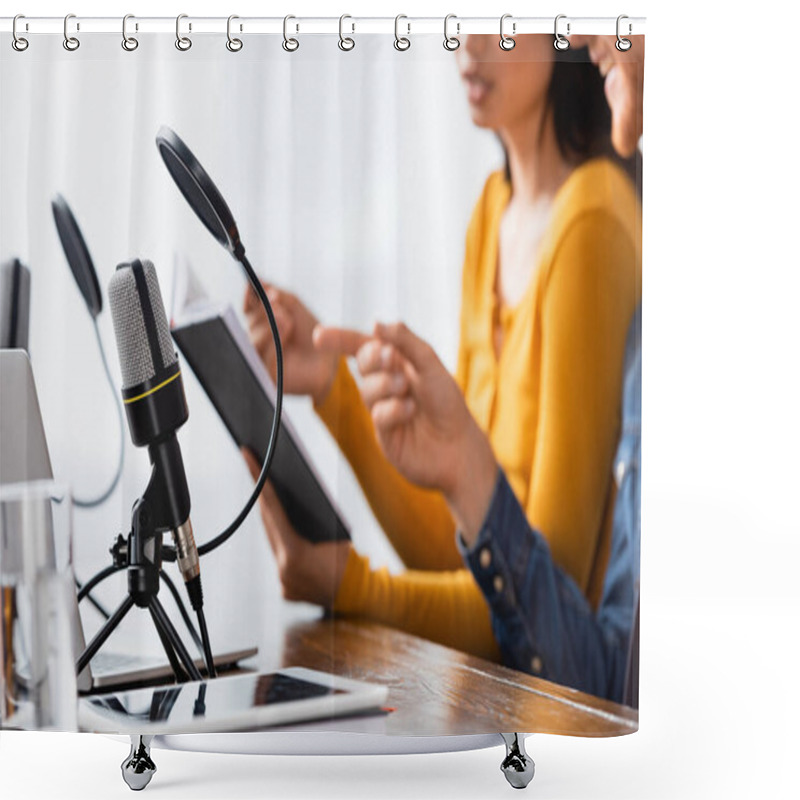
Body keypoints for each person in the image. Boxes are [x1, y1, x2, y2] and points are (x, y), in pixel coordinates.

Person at [243, 34, 642, 686]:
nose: (470, 42)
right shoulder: (493, 212)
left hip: (570, 702)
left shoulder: (592, 220)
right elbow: (472, 550)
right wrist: (334, 392)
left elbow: (539, 599)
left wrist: (358, 590)